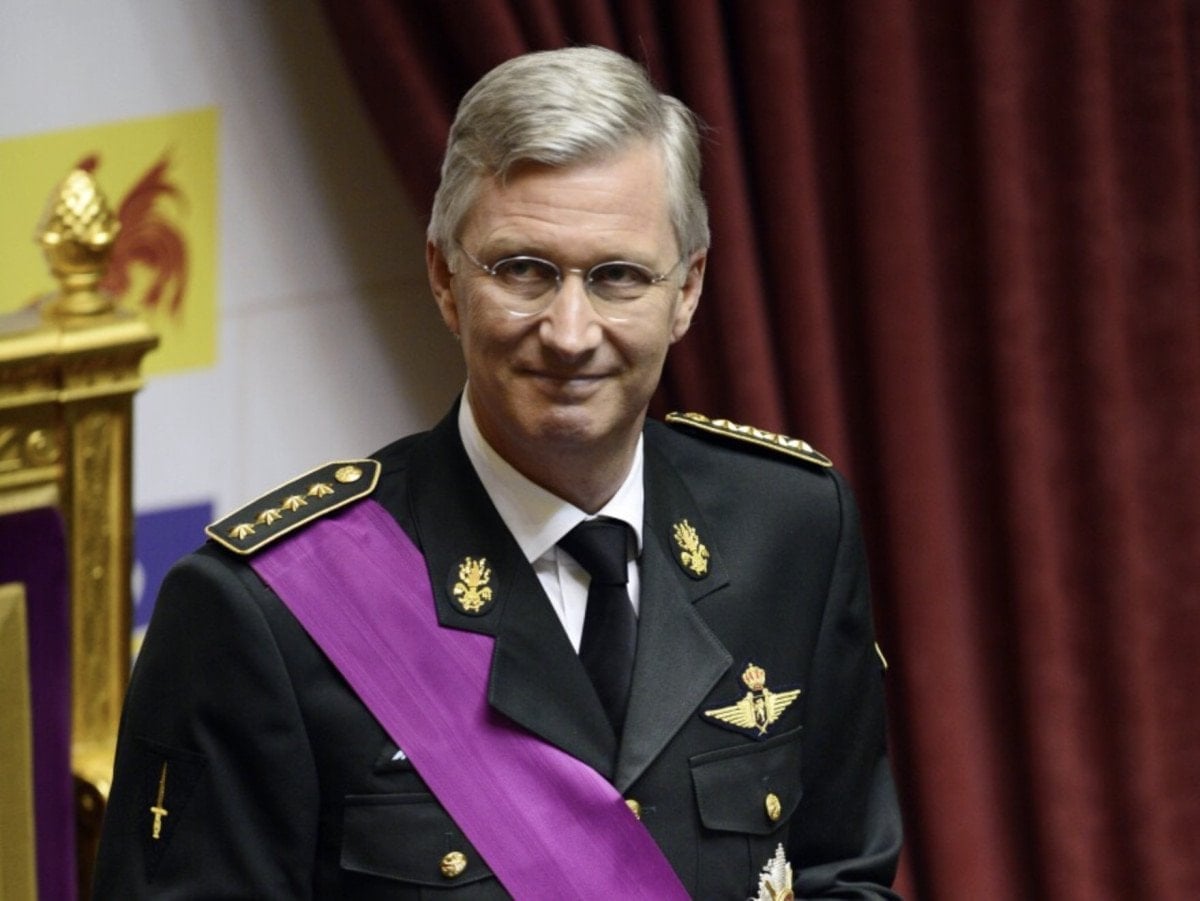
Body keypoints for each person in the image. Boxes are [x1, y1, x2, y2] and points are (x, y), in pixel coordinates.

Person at [94, 46, 902, 899]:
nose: (570, 331)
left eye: (619, 277)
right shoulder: (265, 612)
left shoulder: (791, 529)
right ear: (445, 278)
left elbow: (842, 873)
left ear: (689, 288)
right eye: (523, 270)